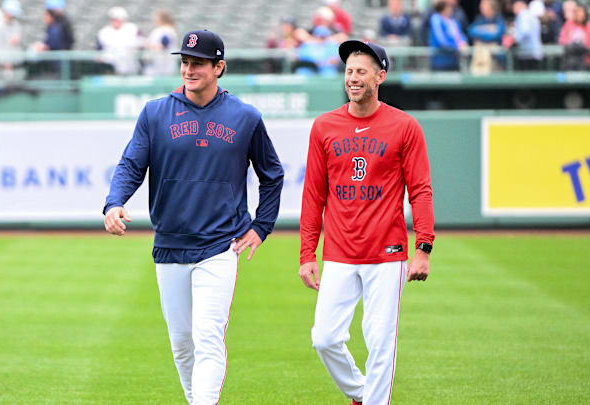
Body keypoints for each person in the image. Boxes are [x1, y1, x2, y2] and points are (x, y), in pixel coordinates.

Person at [103, 30, 284, 405]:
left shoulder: (245, 117)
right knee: (183, 344)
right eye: (185, 61)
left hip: (220, 246)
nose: (189, 69)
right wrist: (114, 202)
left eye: (198, 62)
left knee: (207, 336)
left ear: (219, 67)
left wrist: (261, 227)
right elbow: (131, 164)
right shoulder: (155, 112)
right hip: (169, 243)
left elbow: (272, 174)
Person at [299, 40, 434, 405]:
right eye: (349, 71)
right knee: (323, 338)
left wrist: (423, 248)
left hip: (387, 253)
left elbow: (421, 191)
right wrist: (306, 254)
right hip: (340, 252)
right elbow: (313, 194)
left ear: (380, 77)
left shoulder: (404, 126)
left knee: (379, 343)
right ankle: (360, 392)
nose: (353, 78)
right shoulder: (325, 126)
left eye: (361, 71)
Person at [96, 7, 141, 75]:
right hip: (111, 66)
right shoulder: (104, 32)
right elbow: (99, 49)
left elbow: (139, 45)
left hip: (130, 65)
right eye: (114, 19)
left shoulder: (132, 28)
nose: (116, 21)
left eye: (118, 19)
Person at [503, 0, 543, 70]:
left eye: (515, 6)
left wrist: (513, 40)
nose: (513, 9)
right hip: (534, 54)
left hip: (527, 55)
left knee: (527, 79)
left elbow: (525, 32)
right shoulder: (531, 15)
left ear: (520, 4)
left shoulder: (523, 14)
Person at [468, 0, 506, 73]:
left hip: (495, 57)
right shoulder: (479, 19)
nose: (481, 7)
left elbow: (496, 35)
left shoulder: (498, 19)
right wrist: (488, 30)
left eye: (484, 6)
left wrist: (480, 33)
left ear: (491, 7)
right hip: (479, 55)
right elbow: (471, 32)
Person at [429, 0, 468, 71]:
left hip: (454, 60)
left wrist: (463, 42)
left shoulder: (453, 21)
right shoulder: (436, 19)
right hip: (440, 60)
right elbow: (441, 40)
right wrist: (456, 47)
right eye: (448, 7)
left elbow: (460, 35)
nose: (451, 9)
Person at [558, 2, 590, 70]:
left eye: (580, 12)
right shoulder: (568, 24)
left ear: (585, 14)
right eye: (576, 12)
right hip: (569, 59)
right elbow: (562, 39)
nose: (578, 14)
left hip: (585, 60)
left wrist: (580, 46)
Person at [0, 0, 23, 73]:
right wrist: (5, 62)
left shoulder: (16, 25)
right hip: (2, 66)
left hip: (15, 65)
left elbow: (18, 45)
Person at [143, 9, 179, 76]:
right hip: (161, 64)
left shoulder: (166, 30)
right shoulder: (168, 29)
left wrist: (148, 44)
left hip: (162, 65)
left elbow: (164, 44)